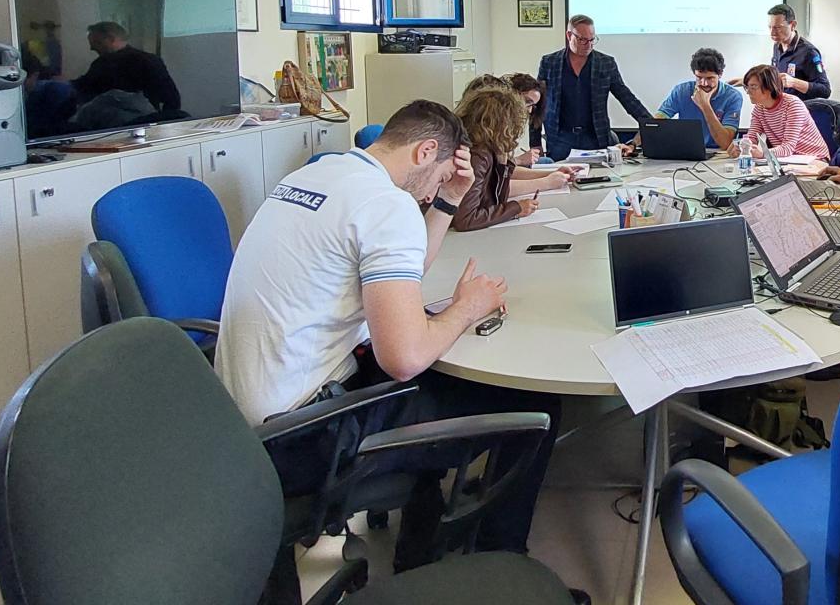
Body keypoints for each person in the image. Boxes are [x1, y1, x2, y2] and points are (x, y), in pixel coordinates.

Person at [215, 100, 560, 558]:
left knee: (439, 380)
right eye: (439, 177)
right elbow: (404, 358)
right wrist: (466, 308)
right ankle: (500, 560)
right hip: (303, 438)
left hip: (240, 424)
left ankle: (419, 553)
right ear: (425, 151)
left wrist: (450, 198)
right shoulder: (386, 204)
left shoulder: (314, 176)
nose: (428, 195)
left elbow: (407, 266)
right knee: (536, 406)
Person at [450, 87, 575, 231]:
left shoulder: (489, 149)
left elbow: (496, 193)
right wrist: (516, 209)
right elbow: (467, 219)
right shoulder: (478, 155)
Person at [535, 14, 653, 161]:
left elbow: (626, 98)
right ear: (569, 35)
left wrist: (650, 123)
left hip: (595, 138)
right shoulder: (549, 63)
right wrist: (535, 144)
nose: (588, 45)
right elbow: (537, 104)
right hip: (560, 139)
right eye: (582, 40)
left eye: (592, 40)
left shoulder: (606, 63)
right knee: (562, 180)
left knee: (599, 178)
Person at [72, 20, 181, 113]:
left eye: (96, 42)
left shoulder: (145, 61)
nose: (92, 48)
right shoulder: (101, 63)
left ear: (110, 39)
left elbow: (170, 97)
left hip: (136, 124)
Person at [734, 64, 830, 163]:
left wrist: (763, 153)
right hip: (789, 159)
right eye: (747, 87)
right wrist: (742, 147)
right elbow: (752, 137)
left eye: (753, 87)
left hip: (815, 158)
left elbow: (788, 147)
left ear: (769, 87)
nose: (748, 92)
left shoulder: (792, 104)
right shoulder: (759, 107)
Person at [656, 47, 744, 151]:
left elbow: (725, 143)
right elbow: (656, 122)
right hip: (685, 150)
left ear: (720, 75)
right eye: (699, 77)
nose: (704, 83)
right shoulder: (682, 91)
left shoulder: (733, 97)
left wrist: (705, 105)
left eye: (710, 78)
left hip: (717, 153)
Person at [766, 3, 831, 100]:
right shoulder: (777, 46)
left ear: (793, 25)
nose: (772, 32)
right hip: (782, 108)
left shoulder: (809, 52)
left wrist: (793, 82)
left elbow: (825, 90)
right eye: (770, 27)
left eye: (778, 27)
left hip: (801, 111)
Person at [504, 72, 546, 164]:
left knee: (546, 161)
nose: (529, 110)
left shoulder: (512, 123)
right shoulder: (498, 122)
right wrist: (519, 160)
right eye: (527, 101)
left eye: (533, 106)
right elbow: (499, 170)